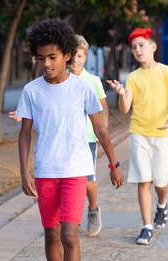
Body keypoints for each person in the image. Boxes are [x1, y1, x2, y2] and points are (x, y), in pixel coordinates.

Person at [15, 18, 123, 261]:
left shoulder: (82, 87)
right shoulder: (31, 91)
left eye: (52, 57)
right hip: (46, 172)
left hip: (76, 171)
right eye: (40, 58)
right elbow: (25, 134)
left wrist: (113, 164)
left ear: (66, 54)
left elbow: (101, 128)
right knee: (50, 235)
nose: (46, 63)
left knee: (69, 235)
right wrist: (24, 171)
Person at [107, 28, 168, 245]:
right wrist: (121, 94)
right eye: (134, 47)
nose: (138, 50)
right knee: (143, 180)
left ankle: (162, 203)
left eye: (141, 45)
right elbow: (125, 109)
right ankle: (146, 227)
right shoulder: (132, 78)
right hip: (138, 133)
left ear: (153, 47)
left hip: (162, 134)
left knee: (161, 180)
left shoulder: (167, 71)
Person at [68, 35, 109, 236]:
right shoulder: (60, 78)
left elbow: (103, 108)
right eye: (73, 55)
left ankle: (93, 210)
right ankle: (69, 216)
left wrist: (103, 133)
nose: (76, 60)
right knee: (68, 179)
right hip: (66, 139)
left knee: (87, 179)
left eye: (80, 56)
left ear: (85, 57)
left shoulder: (93, 81)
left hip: (88, 139)